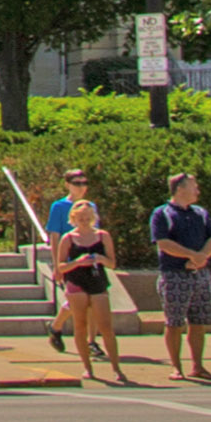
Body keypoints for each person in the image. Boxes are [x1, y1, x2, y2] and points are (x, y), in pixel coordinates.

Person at [48, 164, 125, 382]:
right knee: (78, 317)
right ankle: (83, 357)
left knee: (103, 321)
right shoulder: (60, 208)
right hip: (74, 270)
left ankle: (108, 359)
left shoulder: (95, 217)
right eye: (77, 183)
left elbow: (111, 259)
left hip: (95, 277)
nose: (81, 187)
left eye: (84, 183)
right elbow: (55, 237)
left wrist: (99, 259)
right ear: (68, 184)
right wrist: (58, 266)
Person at [148, 164, 211, 382]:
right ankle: (176, 366)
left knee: (199, 322)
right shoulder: (162, 213)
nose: (198, 190)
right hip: (174, 275)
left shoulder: (201, 213)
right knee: (174, 322)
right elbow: (163, 243)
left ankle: (197, 365)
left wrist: (201, 258)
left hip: (200, 275)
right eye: (194, 186)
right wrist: (190, 256)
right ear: (180, 188)